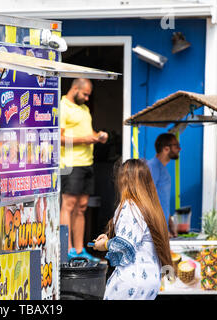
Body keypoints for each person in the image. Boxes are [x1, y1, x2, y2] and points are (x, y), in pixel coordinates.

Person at [92, 159, 172, 300]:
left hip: (131, 281)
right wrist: (110, 240)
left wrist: (103, 245)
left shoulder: (130, 206)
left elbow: (125, 245)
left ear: (123, 181)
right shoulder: (152, 208)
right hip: (150, 280)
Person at [60, 78, 108, 261]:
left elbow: (86, 134)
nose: (87, 98)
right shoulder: (63, 106)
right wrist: (87, 139)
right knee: (69, 205)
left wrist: (99, 136)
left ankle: (80, 250)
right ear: (74, 88)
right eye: (85, 94)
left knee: (81, 207)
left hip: (88, 162)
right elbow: (60, 138)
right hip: (71, 163)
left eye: (89, 95)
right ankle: (67, 248)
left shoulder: (84, 109)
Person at [146, 133, 181, 238]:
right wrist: (160, 229)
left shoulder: (161, 168)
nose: (180, 149)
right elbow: (149, 199)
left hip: (162, 229)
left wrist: (170, 222)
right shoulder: (152, 167)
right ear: (166, 149)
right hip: (156, 230)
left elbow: (161, 201)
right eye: (176, 145)